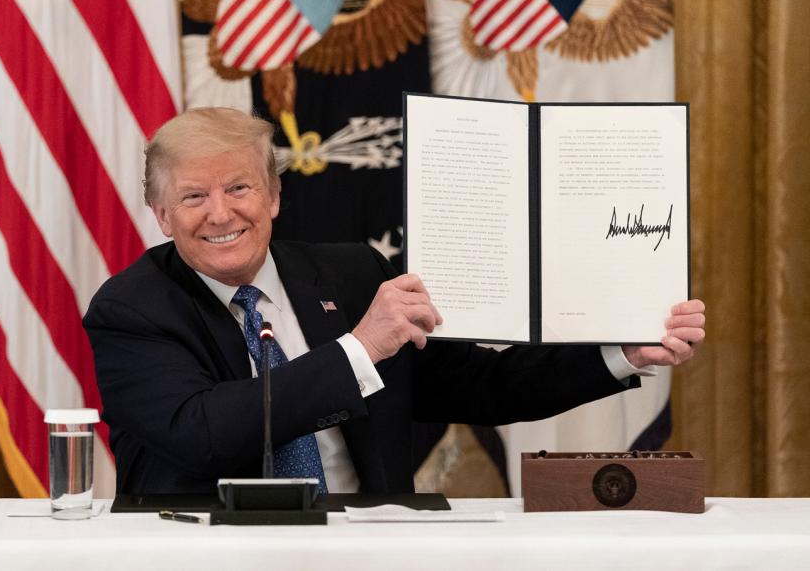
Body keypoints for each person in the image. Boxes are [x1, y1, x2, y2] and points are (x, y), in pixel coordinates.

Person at [83, 108, 705, 496]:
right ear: (162, 215)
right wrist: (361, 349)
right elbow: (203, 433)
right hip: (208, 556)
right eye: (193, 197)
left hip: (368, 548)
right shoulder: (132, 309)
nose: (221, 213)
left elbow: (482, 385)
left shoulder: (353, 274)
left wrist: (619, 351)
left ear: (274, 196)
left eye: (240, 187)